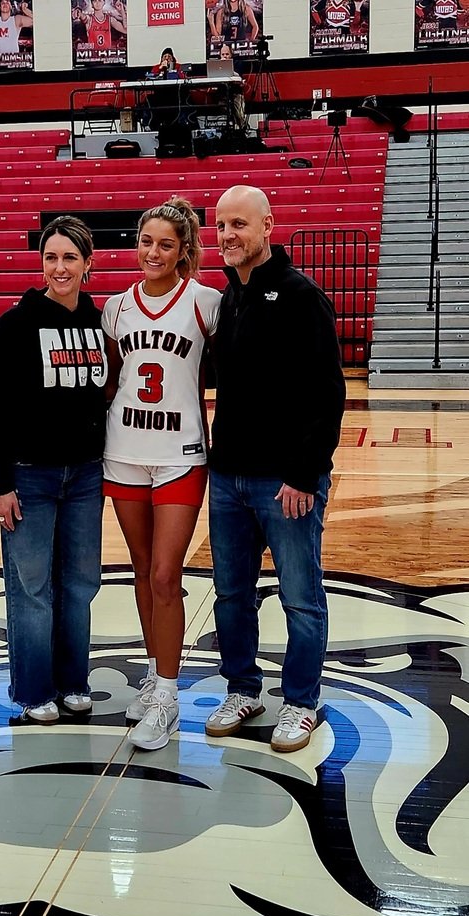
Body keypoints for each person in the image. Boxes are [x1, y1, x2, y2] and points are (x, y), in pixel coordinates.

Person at [205, 185, 345, 753]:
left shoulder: (300, 296)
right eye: (219, 226)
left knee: (300, 595)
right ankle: (243, 688)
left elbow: (327, 394)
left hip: (284, 481)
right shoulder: (228, 297)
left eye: (239, 224)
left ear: (268, 226)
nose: (228, 235)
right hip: (228, 478)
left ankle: (303, 703)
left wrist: (304, 474)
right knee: (231, 593)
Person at [103, 198, 221, 752]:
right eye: (146, 241)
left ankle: (169, 700)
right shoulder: (114, 309)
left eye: (166, 245)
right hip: (123, 451)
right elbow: (107, 381)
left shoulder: (206, 303)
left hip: (180, 455)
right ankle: (154, 673)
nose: (152, 252)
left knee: (165, 577)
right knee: (141, 568)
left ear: (183, 251)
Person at [0, 216, 107, 725]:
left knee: (79, 585)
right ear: (41, 263)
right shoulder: (14, 325)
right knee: (31, 590)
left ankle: (73, 681)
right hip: (29, 477)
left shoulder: (98, 323)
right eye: (51, 257)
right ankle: (34, 691)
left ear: (87, 265)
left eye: (70, 258)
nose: (60, 267)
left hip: (85, 476)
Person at [219, 41, 248, 130]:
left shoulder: (238, 63)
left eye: (227, 54)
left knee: (239, 114)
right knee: (224, 112)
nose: (225, 56)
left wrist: (227, 67)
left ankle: (242, 130)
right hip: (223, 95)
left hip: (236, 93)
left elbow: (239, 77)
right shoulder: (217, 65)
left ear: (231, 54)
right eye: (222, 54)